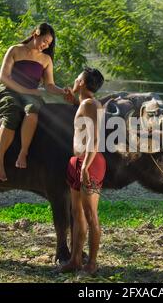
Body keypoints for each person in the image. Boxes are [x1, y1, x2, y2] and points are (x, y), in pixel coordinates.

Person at [0, 22, 75, 181]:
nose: (45, 46)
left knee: (33, 111)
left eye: (49, 44)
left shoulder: (46, 59)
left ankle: (23, 152)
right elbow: (3, 77)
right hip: (9, 91)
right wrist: (26, 91)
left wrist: (62, 91)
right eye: (44, 41)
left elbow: (49, 85)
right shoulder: (15, 50)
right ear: (36, 33)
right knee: (13, 114)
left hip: (30, 96)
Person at [61, 67, 105, 275]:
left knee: (90, 214)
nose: (75, 78)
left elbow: (95, 138)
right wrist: (73, 102)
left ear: (84, 83)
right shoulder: (86, 104)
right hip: (77, 160)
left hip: (90, 162)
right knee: (76, 213)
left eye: (78, 77)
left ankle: (92, 263)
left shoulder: (92, 104)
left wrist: (86, 166)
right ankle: (75, 260)